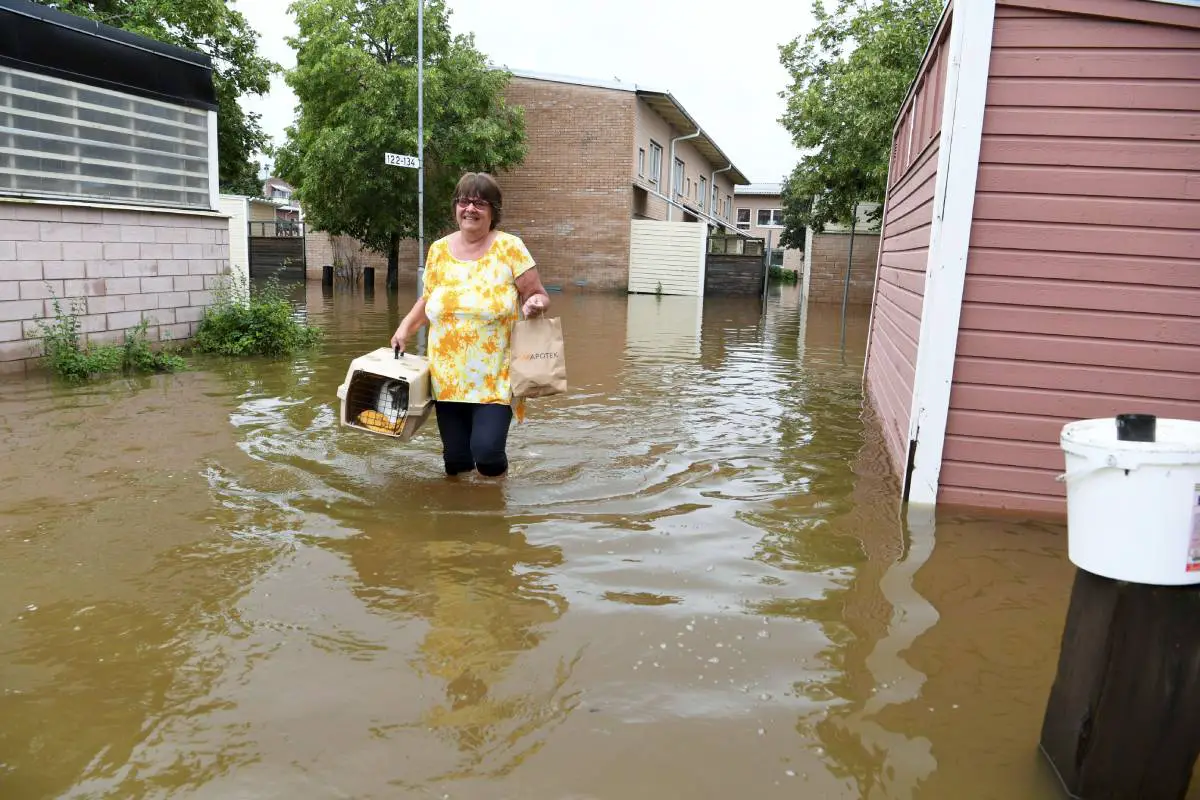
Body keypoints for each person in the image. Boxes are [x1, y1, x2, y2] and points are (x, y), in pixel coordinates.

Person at [391, 172, 550, 478]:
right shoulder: (438, 250)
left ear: (493, 211)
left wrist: (534, 304)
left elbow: (538, 294)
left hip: (496, 375)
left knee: (487, 453)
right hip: (447, 376)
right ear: (456, 207)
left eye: (480, 203)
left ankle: (496, 506)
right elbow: (428, 301)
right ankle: (461, 517)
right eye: (464, 201)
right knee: (456, 461)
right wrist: (404, 330)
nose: (470, 209)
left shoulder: (510, 248)